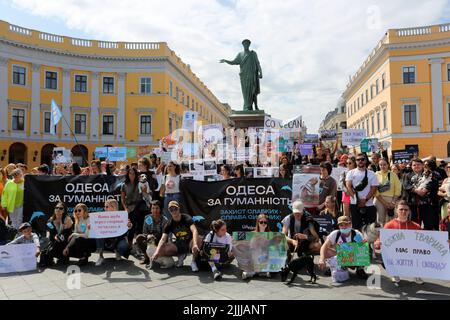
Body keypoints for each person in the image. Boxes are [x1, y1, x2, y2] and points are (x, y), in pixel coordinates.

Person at [373, 201, 424, 284]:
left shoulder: (416, 226)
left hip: (411, 254)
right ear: (396, 210)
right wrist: (377, 243)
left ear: (409, 211)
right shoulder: (389, 225)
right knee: (385, 258)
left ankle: (416, 274)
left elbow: (425, 242)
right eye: (401, 209)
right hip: (395, 254)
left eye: (406, 210)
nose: (403, 211)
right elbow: (380, 239)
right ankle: (395, 273)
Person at [151, 200, 202, 272]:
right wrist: (157, 252)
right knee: (162, 249)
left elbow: (194, 230)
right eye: (171, 210)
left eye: (175, 209)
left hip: (190, 242)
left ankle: (193, 262)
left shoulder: (186, 218)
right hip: (179, 243)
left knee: (199, 239)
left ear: (179, 209)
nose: (174, 211)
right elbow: (163, 239)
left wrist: (195, 244)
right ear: (169, 211)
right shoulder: (169, 223)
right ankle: (181, 255)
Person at [318, 216, 368, 286]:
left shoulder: (355, 234)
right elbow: (324, 246)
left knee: (363, 250)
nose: (344, 227)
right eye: (341, 225)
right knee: (325, 251)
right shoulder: (336, 233)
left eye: (346, 224)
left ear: (350, 224)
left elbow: (363, 247)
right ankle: (334, 267)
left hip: (352, 256)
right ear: (338, 226)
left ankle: (359, 269)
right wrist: (321, 258)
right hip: (340, 255)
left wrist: (364, 242)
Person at [220, 39, 263, 111]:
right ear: (243, 45)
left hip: (252, 74)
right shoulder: (240, 54)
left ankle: (255, 106)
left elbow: (257, 63)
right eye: (245, 44)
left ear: (249, 45)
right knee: (245, 92)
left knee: (253, 91)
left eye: (247, 44)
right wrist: (225, 60)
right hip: (244, 76)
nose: (246, 45)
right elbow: (233, 62)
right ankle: (247, 106)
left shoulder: (253, 53)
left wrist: (260, 72)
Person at [402, 158, 439, 230]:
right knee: (414, 224)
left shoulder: (429, 173)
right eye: (414, 165)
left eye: (418, 164)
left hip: (427, 204)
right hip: (413, 204)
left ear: (422, 165)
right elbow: (406, 186)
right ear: (411, 166)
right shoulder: (407, 175)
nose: (416, 166)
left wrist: (425, 189)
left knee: (429, 224)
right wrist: (417, 191)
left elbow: (434, 183)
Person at [345, 153, 379, 230]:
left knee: (370, 228)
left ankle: (369, 242)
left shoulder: (372, 174)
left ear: (366, 160)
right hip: (354, 204)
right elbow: (348, 186)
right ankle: (358, 242)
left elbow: (374, 188)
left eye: (362, 159)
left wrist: (365, 200)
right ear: (356, 161)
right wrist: (357, 200)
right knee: (356, 228)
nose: (360, 161)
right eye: (358, 159)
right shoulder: (351, 172)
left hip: (369, 204)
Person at [95, 199, 132, 266]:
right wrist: (91, 227)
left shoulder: (121, 216)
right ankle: (101, 256)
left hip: (118, 239)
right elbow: (97, 228)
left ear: (113, 207)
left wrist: (129, 225)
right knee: (98, 235)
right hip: (106, 240)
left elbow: (128, 227)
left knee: (123, 246)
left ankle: (117, 251)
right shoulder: (101, 217)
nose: (105, 208)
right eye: (104, 207)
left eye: (107, 207)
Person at [135, 200, 169, 266]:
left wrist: (155, 239)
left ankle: (157, 255)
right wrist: (148, 236)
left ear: (160, 209)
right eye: (153, 208)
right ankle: (146, 257)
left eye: (157, 208)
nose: (155, 210)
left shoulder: (165, 220)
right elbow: (144, 232)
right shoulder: (147, 218)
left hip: (160, 241)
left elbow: (165, 236)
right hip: (149, 239)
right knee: (139, 237)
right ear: (150, 209)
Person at [374, 158, 402, 226]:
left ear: (388, 165)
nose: (382, 166)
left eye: (384, 164)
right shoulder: (375, 175)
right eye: (380, 165)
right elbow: (374, 189)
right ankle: (382, 235)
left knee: (392, 219)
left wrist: (393, 202)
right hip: (379, 200)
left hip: (392, 199)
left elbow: (398, 189)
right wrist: (385, 203)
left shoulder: (393, 175)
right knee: (381, 220)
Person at [121, 167, 143, 243]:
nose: (132, 175)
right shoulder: (124, 185)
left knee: (139, 226)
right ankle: (130, 244)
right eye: (130, 173)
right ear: (128, 174)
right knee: (131, 227)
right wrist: (125, 208)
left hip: (139, 207)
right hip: (129, 208)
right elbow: (122, 199)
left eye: (133, 173)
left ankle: (139, 244)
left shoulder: (140, 183)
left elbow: (145, 194)